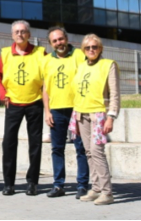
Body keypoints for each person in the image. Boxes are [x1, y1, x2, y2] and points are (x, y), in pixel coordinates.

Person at [0, 20, 46, 196]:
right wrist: (3, 94)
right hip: (13, 104)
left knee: (35, 144)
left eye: (23, 31)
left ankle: (32, 182)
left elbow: (48, 76)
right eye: (16, 32)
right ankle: (9, 183)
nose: (20, 34)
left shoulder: (40, 52)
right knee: (8, 143)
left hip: (35, 103)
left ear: (29, 34)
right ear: (12, 35)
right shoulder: (5, 53)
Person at [71, 34, 120, 206]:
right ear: (83, 50)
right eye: (87, 47)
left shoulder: (108, 65)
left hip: (99, 114)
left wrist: (111, 116)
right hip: (81, 113)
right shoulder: (81, 66)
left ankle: (107, 192)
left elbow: (114, 94)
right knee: (89, 152)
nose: (91, 50)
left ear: (100, 49)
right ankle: (96, 188)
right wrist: (74, 118)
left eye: (95, 47)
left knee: (97, 151)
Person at [42, 27, 90, 199]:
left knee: (81, 148)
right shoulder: (46, 61)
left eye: (61, 39)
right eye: (54, 41)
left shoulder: (79, 55)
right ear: (50, 44)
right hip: (56, 110)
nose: (58, 43)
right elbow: (46, 88)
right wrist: (47, 111)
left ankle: (82, 185)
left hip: (76, 109)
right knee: (57, 148)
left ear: (67, 38)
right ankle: (58, 185)